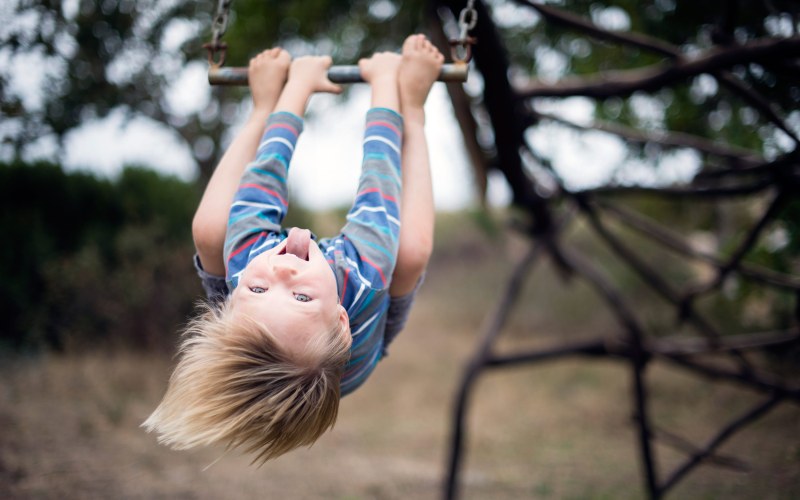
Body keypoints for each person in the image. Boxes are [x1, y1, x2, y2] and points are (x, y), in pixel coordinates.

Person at [144, 35, 444, 463]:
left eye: (260, 290)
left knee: (211, 229)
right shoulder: (366, 274)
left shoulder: (249, 264)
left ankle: (259, 109)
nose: (281, 275)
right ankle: (416, 113)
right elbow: (380, 178)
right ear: (338, 319)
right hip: (363, 334)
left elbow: (265, 174)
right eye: (300, 297)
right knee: (410, 251)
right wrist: (388, 84)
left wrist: (293, 90)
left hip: (262, 314)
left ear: (231, 297)